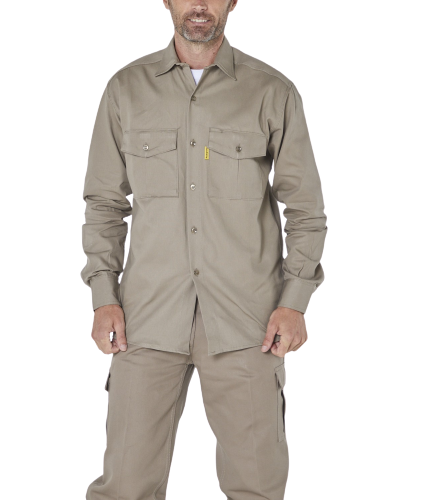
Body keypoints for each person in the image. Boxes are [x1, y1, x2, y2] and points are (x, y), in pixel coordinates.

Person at [81, 0, 327, 498]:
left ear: (232, 1)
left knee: (257, 487)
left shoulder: (272, 90)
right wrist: (103, 295)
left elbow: (305, 209)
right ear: (167, 0)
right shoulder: (125, 88)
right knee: (125, 486)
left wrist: (294, 302)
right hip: (145, 320)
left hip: (249, 323)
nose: (199, 4)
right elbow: (105, 205)